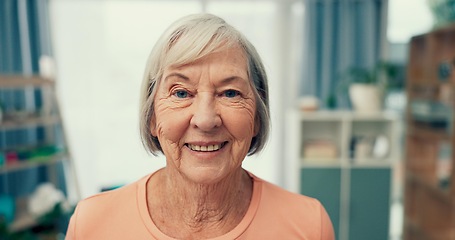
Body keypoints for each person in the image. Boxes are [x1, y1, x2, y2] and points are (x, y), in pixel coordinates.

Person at [65, 13, 335, 240]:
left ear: (258, 117)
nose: (205, 120)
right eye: (181, 93)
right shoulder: (90, 225)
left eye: (230, 93)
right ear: (151, 118)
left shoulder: (310, 225)